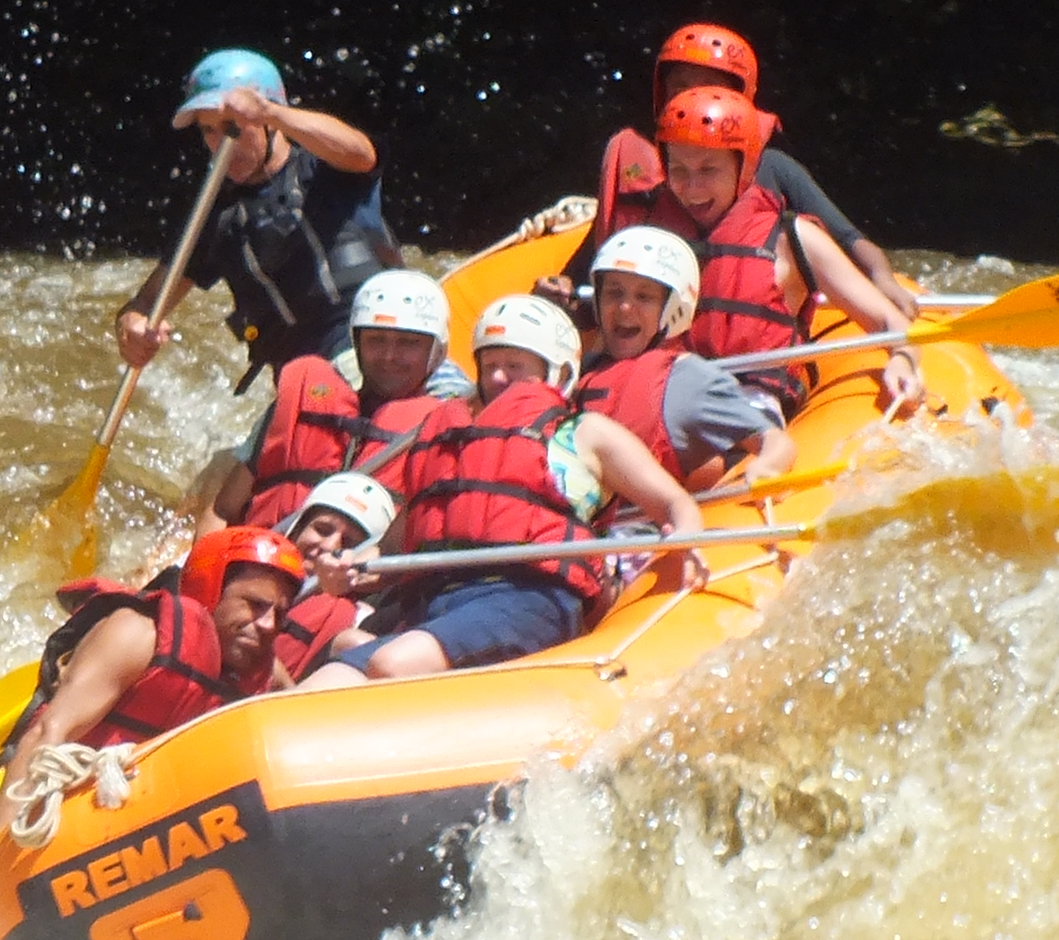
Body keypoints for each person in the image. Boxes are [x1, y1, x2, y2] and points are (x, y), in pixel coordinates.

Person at [315, 296, 706, 682]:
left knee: (392, 664)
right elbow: (394, 547)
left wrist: (686, 536)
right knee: (329, 674)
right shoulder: (453, 441)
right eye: (490, 366)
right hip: (437, 603)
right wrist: (350, 568)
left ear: (558, 374)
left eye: (515, 366)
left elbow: (675, 503)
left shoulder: (587, 434)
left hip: (529, 599)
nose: (499, 378)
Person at [567, 21, 918, 322]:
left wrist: (881, 278)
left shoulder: (776, 169)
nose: (692, 185)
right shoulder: (651, 181)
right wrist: (562, 288)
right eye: (681, 87)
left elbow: (848, 240)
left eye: (708, 87)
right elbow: (589, 263)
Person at [0, 525, 307, 840]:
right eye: (254, 604)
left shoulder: (265, 677)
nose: (268, 624)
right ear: (210, 589)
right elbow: (47, 735)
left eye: (279, 613)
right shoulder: (137, 635)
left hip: (156, 829)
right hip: (68, 806)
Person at [116, 50, 396, 392]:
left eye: (233, 128)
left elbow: (362, 153)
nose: (221, 144)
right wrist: (132, 325)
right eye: (208, 131)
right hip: (302, 381)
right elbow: (145, 303)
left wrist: (272, 112)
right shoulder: (214, 218)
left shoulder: (325, 168)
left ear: (269, 124)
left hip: (380, 347)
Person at [642, 85, 921, 421]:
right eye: (679, 170)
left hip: (746, 407)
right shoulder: (652, 241)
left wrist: (902, 360)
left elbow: (891, 323)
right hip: (666, 399)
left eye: (708, 170)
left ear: (743, 168)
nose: (692, 188)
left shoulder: (793, 239)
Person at [202, 266, 476, 531]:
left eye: (408, 343)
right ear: (356, 344)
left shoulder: (446, 435)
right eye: (376, 340)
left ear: (437, 353)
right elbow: (222, 511)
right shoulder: (303, 405)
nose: (389, 356)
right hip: (269, 565)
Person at [571, 226, 792, 493]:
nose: (624, 307)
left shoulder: (687, 379)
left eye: (644, 296)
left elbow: (776, 441)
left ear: (673, 309)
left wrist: (766, 468)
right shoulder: (578, 373)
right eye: (614, 293)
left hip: (641, 528)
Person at [273, 471, 396, 678]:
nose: (329, 546)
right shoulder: (246, 579)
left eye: (348, 544)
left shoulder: (360, 621)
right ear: (297, 529)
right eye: (322, 529)